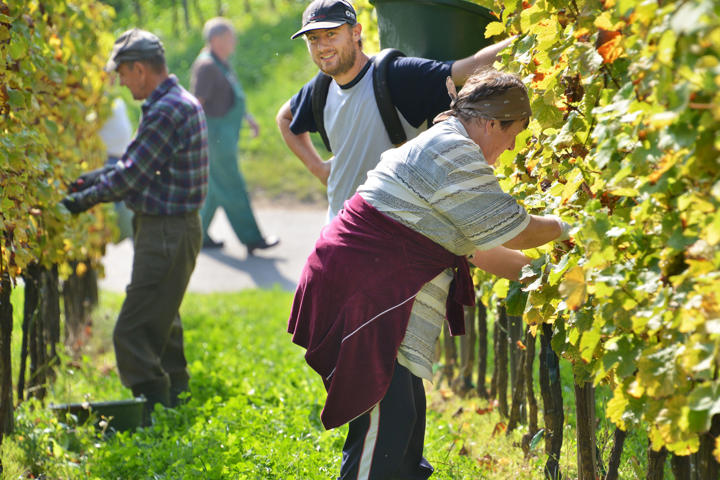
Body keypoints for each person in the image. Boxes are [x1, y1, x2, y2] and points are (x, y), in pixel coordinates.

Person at [287, 70, 572, 479]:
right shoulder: (453, 152)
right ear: (492, 123)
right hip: (364, 292)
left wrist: (553, 276)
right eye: (512, 136)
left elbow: (485, 252)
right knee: (382, 433)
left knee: (402, 421)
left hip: (361, 284)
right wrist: (565, 229)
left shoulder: (448, 146)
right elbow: (520, 229)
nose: (510, 149)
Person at [62, 28, 208, 417]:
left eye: (123, 74)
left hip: (166, 230)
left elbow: (130, 176)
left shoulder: (165, 110)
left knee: (133, 329)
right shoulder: (175, 102)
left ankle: (150, 414)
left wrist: (78, 203)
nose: (121, 82)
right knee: (163, 316)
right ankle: (177, 400)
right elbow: (136, 161)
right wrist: (93, 177)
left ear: (140, 69)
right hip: (171, 228)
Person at [276, 0, 514, 222]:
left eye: (331, 34)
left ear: (356, 32)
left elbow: (468, 67)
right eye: (313, 39)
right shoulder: (320, 88)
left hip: (396, 238)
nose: (322, 46)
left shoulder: (397, 76)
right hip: (338, 231)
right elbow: (284, 118)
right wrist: (319, 169)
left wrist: (528, 39)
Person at [190, 17, 279, 254]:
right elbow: (196, 105)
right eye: (231, 37)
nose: (235, 42)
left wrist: (248, 119)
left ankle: (196, 235)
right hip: (213, 138)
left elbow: (231, 96)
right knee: (233, 187)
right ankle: (252, 238)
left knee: (216, 188)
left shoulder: (222, 63)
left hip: (224, 138)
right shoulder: (207, 66)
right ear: (216, 39)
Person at [98, 92, 135, 242]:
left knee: (124, 210)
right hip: (106, 160)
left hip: (121, 159)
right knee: (110, 212)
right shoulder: (97, 99)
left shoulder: (116, 99)